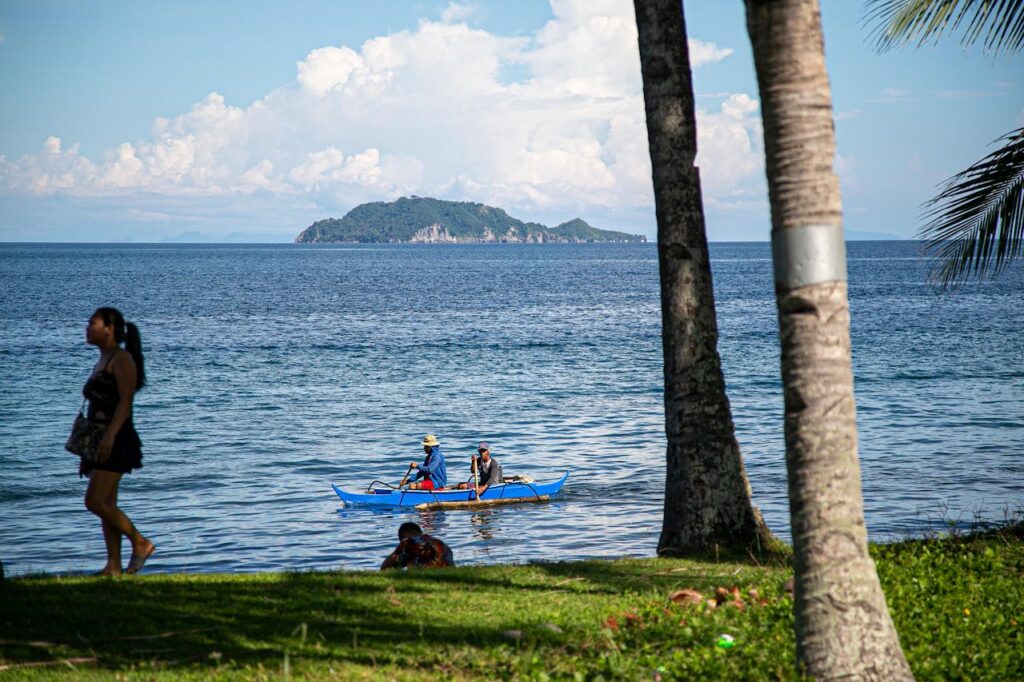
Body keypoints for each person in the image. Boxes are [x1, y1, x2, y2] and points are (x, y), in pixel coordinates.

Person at [80, 307, 155, 576]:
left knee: (94, 501)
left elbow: (125, 402)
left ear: (110, 328)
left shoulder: (121, 359)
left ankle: (141, 542)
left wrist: (110, 437)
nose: (87, 327)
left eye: (93, 323)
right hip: (100, 438)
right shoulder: (103, 358)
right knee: (107, 504)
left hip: (117, 439)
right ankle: (113, 566)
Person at [380, 522, 455, 569]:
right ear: (420, 533)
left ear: (401, 539)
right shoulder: (441, 544)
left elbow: (385, 568)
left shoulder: (408, 543)